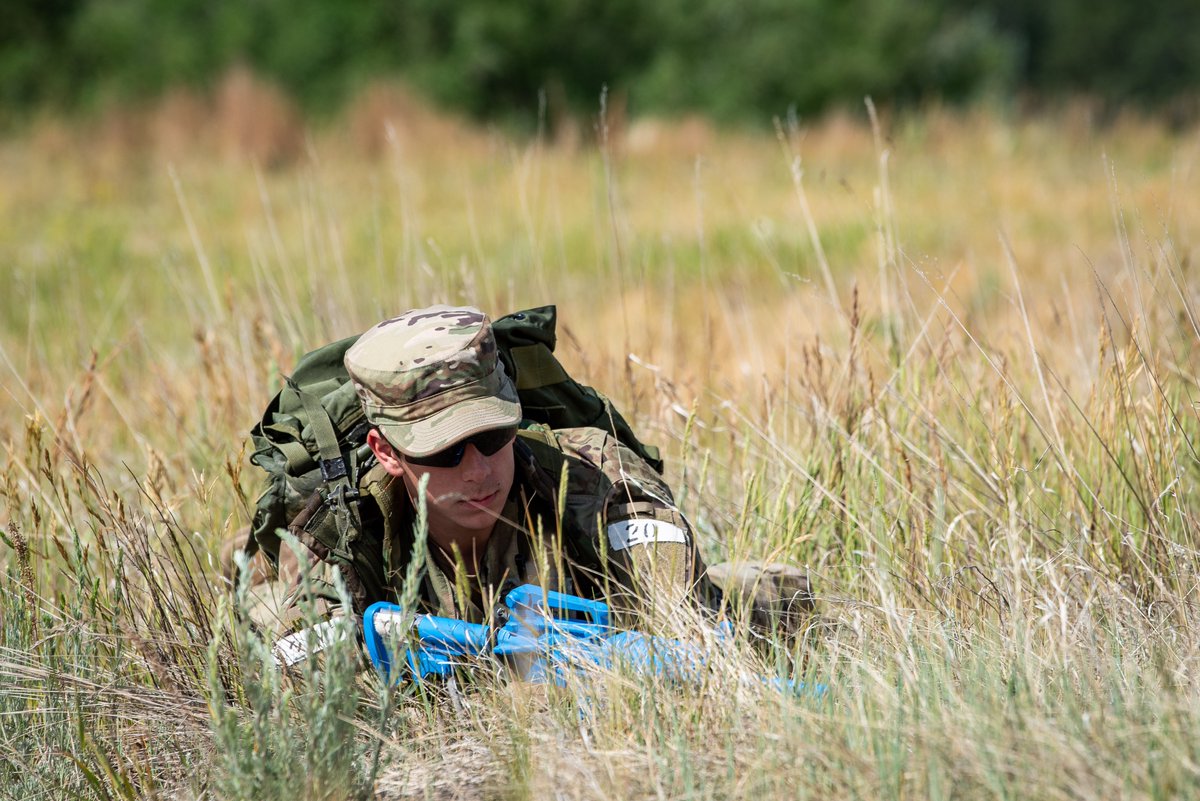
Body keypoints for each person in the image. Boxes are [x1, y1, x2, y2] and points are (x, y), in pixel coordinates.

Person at [247, 305, 813, 660]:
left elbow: (679, 620)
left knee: (768, 600)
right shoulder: (332, 533)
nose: (478, 468)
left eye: (494, 435)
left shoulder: (595, 478)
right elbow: (304, 677)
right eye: (444, 450)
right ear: (387, 452)